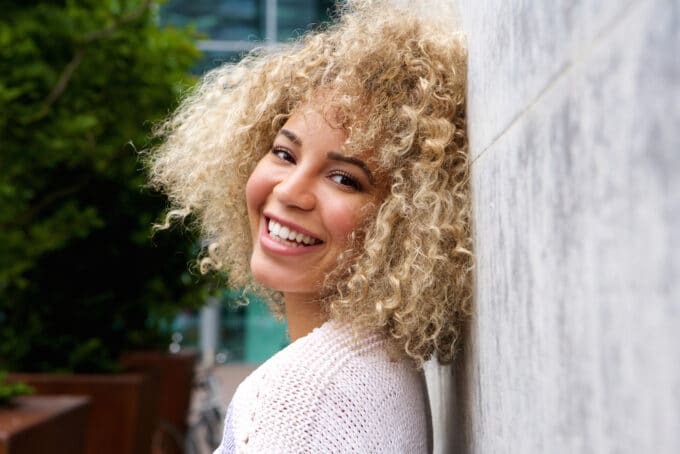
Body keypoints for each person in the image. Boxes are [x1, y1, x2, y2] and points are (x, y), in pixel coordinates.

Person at [148, 1, 472, 452]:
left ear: (405, 221)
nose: (289, 191)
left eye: (345, 179)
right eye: (284, 153)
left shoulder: (298, 401)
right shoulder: (378, 362)